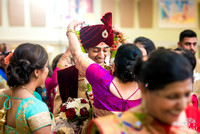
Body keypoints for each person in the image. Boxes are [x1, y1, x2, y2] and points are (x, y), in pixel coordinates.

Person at [87, 49, 198, 134]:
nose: (182, 104)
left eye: (187, 94)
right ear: (144, 90)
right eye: (172, 96)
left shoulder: (192, 118)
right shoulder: (109, 129)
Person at [66, 12, 142, 117]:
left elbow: (77, 54)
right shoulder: (145, 85)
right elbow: (137, 57)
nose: (102, 55)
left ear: (114, 66)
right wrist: (123, 37)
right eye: (96, 50)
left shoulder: (102, 77)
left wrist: (70, 29)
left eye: (106, 50)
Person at [0, 43, 52, 133]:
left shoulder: (3, 96)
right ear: (36, 72)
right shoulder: (35, 107)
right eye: (46, 66)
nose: (47, 70)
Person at [177, 29, 200, 107]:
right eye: (188, 44)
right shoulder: (173, 64)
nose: (192, 48)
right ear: (179, 44)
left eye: (194, 44)